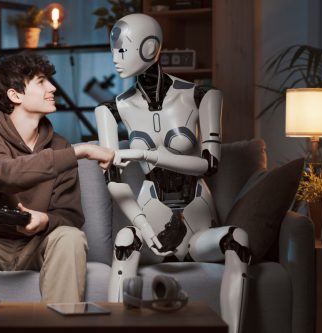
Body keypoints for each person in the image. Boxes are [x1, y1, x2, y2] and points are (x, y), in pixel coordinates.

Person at [94, 14, 250, 333]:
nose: (114, 59)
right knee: (125, 240)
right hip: (150, 224)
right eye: (113, 50)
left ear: (150, 48)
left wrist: (145, 153)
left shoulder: (201, 96)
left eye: (122, 51)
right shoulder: (109, 110)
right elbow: (113, 179)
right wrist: (140, 225)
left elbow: (210, 164)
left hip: (199, 228)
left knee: (238, 240)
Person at [0, 52, 114, 303]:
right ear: (15, 95)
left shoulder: (60, 146)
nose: (52, 88)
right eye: (41, 82)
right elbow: (4, 174)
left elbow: (71, 215)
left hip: (37, 245)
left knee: (71, 237)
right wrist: (78, 152)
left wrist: (44, 219)